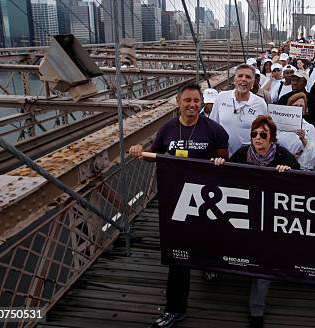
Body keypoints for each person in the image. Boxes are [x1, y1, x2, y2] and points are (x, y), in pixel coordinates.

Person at [128, 84, 229, 328]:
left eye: (196, 100)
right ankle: (175, 308)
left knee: (207, 238)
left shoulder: (214, 130)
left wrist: (219, 162)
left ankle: (207, 264)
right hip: (175, 200)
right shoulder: (168, 129)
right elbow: (155, 154)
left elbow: (226, 160)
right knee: (178, 255)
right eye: (187, 100)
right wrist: (140, 152)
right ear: (178, 102)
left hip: (206, 200)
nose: (192, 105)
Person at [213, 115, 299, 328]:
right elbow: (226, 176)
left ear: (272, 138)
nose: (257, 138)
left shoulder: (282, 155)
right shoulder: (243, 153)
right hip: (244, 213)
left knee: (263, 260)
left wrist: (288, 173)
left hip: (270, 216)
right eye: (254, 134)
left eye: (263, 134)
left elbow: (300, 179)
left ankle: (256, 309)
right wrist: (220, 164)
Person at [209, 64, 268, 154]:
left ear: (252, 82)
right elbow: (212, 126)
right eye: (240, 76)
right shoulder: (221, 97)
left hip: (248, 158)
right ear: (234, 80)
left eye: (248, 77)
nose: (243, 79)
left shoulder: (260, 104)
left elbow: (264, 133)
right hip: (223, 156)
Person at [277, 92, 315, 170]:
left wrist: (303, 139)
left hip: (299, 169)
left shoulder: (310, 128)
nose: (298, 108)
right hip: (280, 167)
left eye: (301, 106)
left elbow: (314, 154)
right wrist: (288, 156)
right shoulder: (279, 125)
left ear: (305, 110)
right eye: (295, 106)